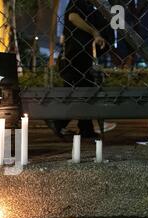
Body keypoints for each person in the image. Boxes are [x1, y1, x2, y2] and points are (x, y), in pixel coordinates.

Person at [50, 0, 116, 139]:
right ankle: (58, 122)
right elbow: (73, 17)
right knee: (76, 93)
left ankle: (85, 129)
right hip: (73, 57)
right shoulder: (79, 2)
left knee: (85, 91)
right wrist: (94, 32)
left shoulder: (91, 7)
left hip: (82, 57)